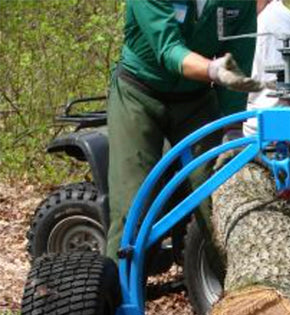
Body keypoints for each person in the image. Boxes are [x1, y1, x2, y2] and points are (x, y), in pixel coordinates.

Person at [106, 0, 263, 262]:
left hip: (197, 100)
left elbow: (240, 54)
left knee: (219, 197)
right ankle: (120, 296)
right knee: (132, 207)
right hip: (139, 93)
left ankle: (237, 289)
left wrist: (233, 127)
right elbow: (168, 50)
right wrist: (213, 70)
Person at [243, 0, 290, 138]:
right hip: (286, 122)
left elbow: (278, 99)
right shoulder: (272, 16)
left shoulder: (271, 22)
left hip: (270, 132)